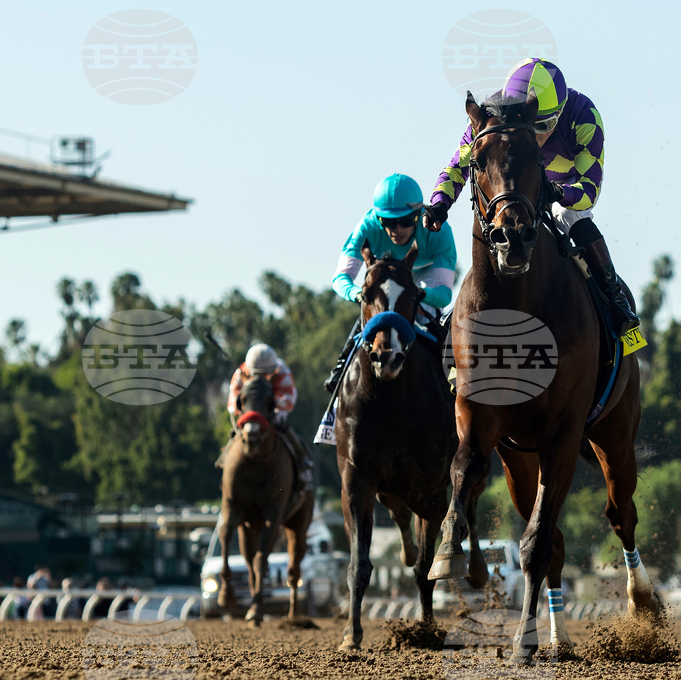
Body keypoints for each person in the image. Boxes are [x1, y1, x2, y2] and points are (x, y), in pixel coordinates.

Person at [423, 57, 639, 338]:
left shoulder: (584, 116)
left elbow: (589, 190)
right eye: (526, 122)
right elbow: (457, 167)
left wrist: (557, 193)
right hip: (518, 187)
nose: (533, 135)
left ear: (560, 113)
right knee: (490, 217)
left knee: (569, 215)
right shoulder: (489, 115)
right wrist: (439, 203)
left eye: (543, 125)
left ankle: (615, 298)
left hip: (565, 188)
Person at [323, 173, 457, 399]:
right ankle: (339, 371)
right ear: (378, 219)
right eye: (389, 222)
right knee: (374, 312)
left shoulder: (438, 232)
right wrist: (359, 294)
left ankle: (452, 379)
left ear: (419, 215)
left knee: (428, 315)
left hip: (425, 273)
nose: (397, 229)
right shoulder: (367, 227)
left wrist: (418, 293)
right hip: (386, 275)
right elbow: (340, 278)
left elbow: (443, 295)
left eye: (406, 221)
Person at [221, 344, 314, 504]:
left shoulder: (282, 372)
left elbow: (289, 401)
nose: (261, 377)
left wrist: (268, 404)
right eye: (257, 374)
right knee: (237, 432)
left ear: (273, 370)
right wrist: (244, 405)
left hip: (274, 411)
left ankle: (302, 459)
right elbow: (232, 402)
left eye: (264, 374)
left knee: (283, 428)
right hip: (249, 413)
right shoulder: (241, 372)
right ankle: (224, 458)